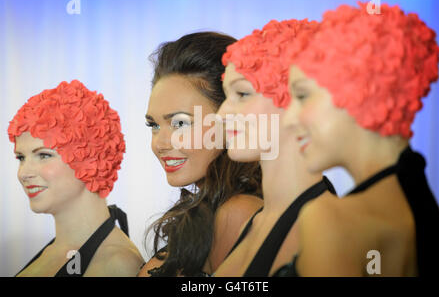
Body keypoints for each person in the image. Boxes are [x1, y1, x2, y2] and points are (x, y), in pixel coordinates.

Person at [282, 2, 439, 276]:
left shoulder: (330, 218)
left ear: (363, 91)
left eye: (302, 96)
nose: (289, 119)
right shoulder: (431, 217)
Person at [213, 19, 336, 277]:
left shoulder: (331, 232)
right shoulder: (252, 221)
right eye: (226, 96)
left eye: (242, 94)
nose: (223, 113)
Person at [138, 32, 263, 277]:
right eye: (153, 125)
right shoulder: (214, 209)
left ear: (230, 117)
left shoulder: (238, 212)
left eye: (180, 123)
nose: (160, 143)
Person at [8, 80, 144, 277]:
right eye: (21, 158)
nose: (23, 173)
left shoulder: (116, 265)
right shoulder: (55, 251)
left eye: (44, 155)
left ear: (91, 157)